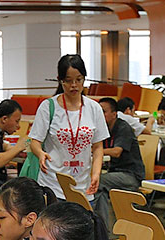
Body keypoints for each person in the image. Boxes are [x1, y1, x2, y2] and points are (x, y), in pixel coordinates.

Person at [28, 54, 109, 200]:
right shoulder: (48, 107)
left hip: (83, 184)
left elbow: (98, 147)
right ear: (60, 80)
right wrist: (40, 154)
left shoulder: (94, 108)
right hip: (52, 182)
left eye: (79, 80)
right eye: (68, 80)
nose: (74, 85)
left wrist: (96, 174)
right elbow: (34, 141)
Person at [94, 97, 145, 227]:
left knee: (98, 181)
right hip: (115, 173)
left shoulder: (123, 127)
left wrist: (96, 151)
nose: (100, 115)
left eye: (103, 112)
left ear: (114, 114)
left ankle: (102, 228)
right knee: (96, 185)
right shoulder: (103, 129)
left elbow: (117, 151)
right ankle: (100, 226)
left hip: (131, 176)